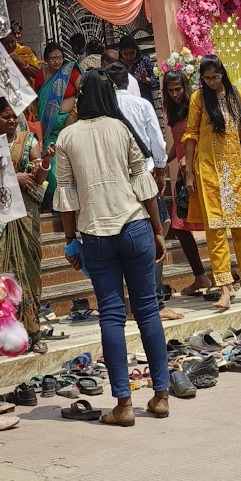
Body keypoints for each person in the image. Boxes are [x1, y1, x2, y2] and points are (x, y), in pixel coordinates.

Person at [55, 71, 170, 425]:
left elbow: (66, 195)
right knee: (148, 311)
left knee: (111, 315)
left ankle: (122, 405)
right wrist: (157, 230)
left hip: (96, 235)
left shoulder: (67, 136)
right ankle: (161, 395)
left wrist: (70, 240)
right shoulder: (120, 128)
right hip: (134, 226)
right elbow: (143, 181)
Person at [183, 58, 241, 310]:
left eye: (215, 77)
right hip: (208, 171)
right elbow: (191, 134)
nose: (212, 82)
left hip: (236, 170)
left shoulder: (236, 95)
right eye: (207, 78)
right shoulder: (198, 99)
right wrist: (190, 173)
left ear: (222, 74)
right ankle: (224, 289)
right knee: (215, 231)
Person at [105, 64, 173, 315]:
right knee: (155, 234)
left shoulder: (106, 110)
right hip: (144, 176)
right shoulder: (142, 105)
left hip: (117, 181)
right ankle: (153, 298)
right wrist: (161, 170)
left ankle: (135, 299)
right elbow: (157, 140)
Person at [0, 97, 48, 348]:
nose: (11, 120)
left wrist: (45, 163)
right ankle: (2, 333)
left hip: (26, 216)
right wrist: (13, 178)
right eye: (5, 116)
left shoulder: (28, 140)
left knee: (29, 274)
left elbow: (39, 176)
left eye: (14, 116)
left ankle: (33, 332)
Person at [161, 70, 210, 294]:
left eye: (178, 89)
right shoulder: (171, 110)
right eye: (170, 91)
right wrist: (163, 161)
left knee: (209, 223)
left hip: (198, 170)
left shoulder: (194, 105)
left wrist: (188, 163)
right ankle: (201, 276)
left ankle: (217, 275)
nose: (174, 94)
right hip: (183, 174)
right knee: (180, 227)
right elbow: (178, 144)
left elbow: (199, 139)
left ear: (185, 87)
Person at [34, 41, 80, 208]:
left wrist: (73, 114)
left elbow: (83, 92)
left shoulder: (70, 72)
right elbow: (37, 100)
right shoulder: (41, 76)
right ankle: (55, 203)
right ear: (46, 60)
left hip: (69, 124)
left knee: (71, 163)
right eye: (53, 58)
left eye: (59, 58)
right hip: (48, 129)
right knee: (51, 168)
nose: (57, 61)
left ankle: (73, 202)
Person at [117, 34, 157, 99]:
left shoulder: (144, 61)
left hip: (144, 101)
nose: (129, 57)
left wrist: (146, 79)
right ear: (121, 52)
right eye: (125, 54)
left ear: (136, 51)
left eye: (132, 53)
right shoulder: (117, 65)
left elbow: (157, 80)